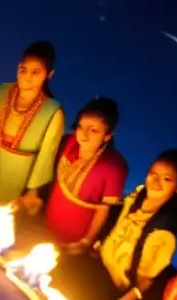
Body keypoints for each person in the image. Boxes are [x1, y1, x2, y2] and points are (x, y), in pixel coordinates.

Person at [93, 149, 177, 300]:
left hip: (114, 287)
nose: (155, 182)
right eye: (153, 174)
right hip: (98, 264)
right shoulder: (139, 194)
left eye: (167, 179)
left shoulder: (164, 228)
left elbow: (145, 281)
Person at [0, 41, 65, 212]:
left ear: (49, 74)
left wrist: (33, 190)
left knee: (2, 216)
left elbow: (46, 155)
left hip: (19, 175)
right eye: (23, 70)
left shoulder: (52, 112)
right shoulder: (2, 92)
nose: (27, 76)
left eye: (36, 72)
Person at [44, 97, 128, 249]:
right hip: (46, 222)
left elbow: (104, 209)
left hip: (74, 237)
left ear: (107, 135)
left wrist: (86, 241)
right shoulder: (68, 143)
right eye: (80, 127)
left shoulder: (114, 167)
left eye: (94, 130)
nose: (84, 134)